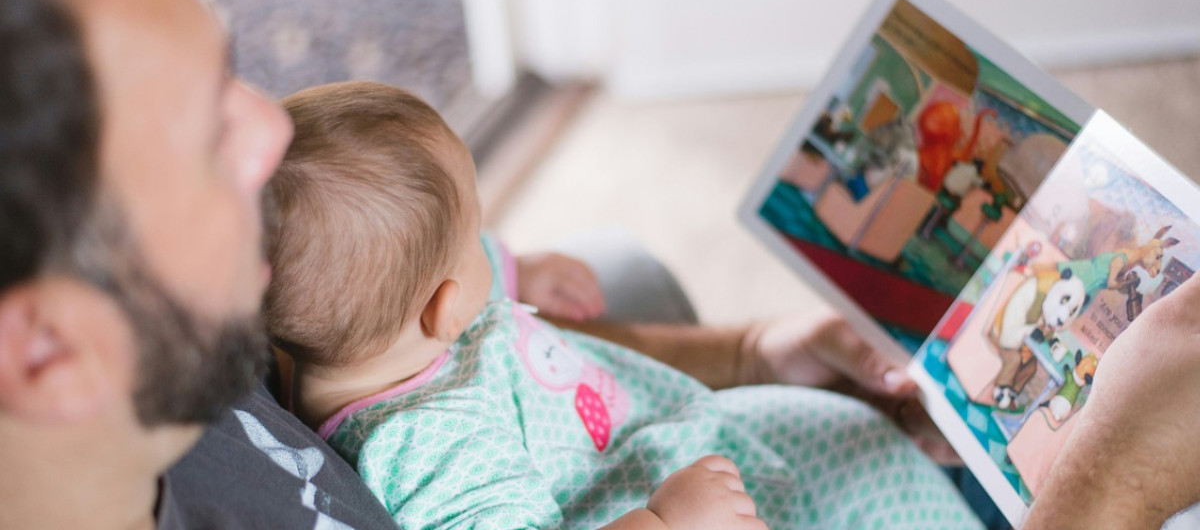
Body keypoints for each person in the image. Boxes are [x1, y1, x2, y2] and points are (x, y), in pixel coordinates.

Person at [1, 0, 1198, 528]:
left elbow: (444, 345)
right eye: (205, 128)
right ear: (46, 347)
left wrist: (734, 348)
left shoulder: (205, 330)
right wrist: (1118, 481)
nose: (268, 127)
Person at [264, 81, 983, 529]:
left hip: (679, 439)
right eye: (477, 230)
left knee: (877, 436)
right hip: (668, 498)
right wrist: (667, 521)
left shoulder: (362, 333)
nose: (489, 242)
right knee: (892, 479)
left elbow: (450, 275)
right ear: (444, 311)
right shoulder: (427, 452)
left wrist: (518, 270)